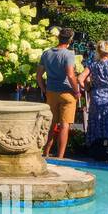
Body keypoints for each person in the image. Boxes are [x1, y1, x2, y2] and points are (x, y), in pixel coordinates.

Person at [37, 27, 80, 159]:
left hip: (51, 91)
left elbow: (39, 75)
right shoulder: (68, 54)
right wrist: (77, 91)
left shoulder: (47, 53)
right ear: (70, 40)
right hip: (67, 92)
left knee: (51, 123)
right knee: (64, 125)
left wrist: (44, 89)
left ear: (58, 38)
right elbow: (71, 75)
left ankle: (45, 152)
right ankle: (60, 156)